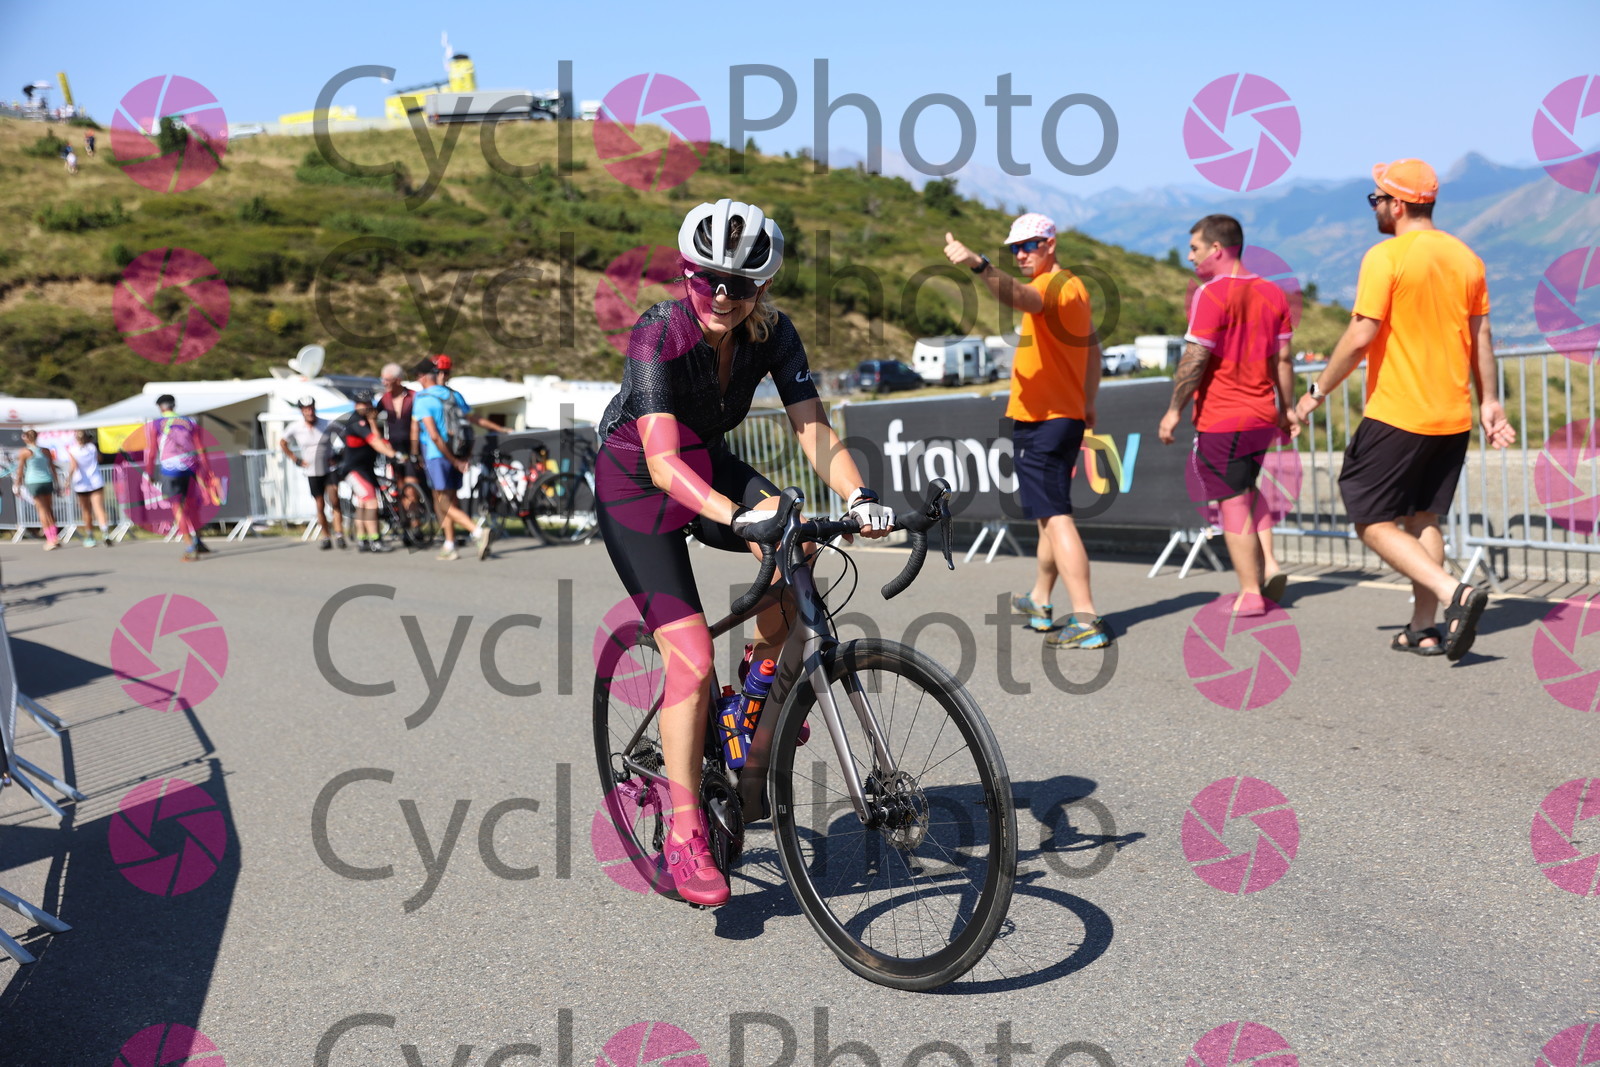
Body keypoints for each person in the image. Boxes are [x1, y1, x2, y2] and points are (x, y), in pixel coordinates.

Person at [597, 198, 893, 905]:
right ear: (687, 275)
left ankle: (752, 697)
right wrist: (738, 517)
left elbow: (811, 427)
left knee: (798, 543)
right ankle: (684, 832)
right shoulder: (659, 331)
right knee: (691, 657)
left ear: (763, 286)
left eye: (740, 285)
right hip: (637, 481)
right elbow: (663, 462)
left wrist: (858, 495)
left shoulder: (773, 334)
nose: (723, 297)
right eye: (709, 280)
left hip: (708, 463)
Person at [1293, 159, 1515, 661]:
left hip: (1399, 412)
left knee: (1369, 517)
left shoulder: (1386, 256)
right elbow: (1481, 337)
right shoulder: (1467, 258)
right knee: (1423, 516)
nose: (1374, 207)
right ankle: (1424, 628)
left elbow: (1361, 334)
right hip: (1453, 415)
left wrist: (1316, 391)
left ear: (1397, 205)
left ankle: (1454, 592)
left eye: (1377, 199)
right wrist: (1490, 400)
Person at [944, 213, 1111, 649]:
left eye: (1028, 245)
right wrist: (1088, 402)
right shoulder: (1075, 287)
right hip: (1063, 416)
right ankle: (1040, 598)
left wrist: (979, 265)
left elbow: (1020, 297)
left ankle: (1086, 616)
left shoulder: (1052, 287)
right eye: (1014, 248)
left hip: (1043, 420)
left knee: (1056, 517)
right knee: (1047, 518)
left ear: (1050, 244)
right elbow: (1093, 351)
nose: (1020, 254)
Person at [1158, 215, 1298, 613]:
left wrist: (1174, 409)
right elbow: (1283, 360)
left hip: (1223, 415)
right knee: (1247, 490)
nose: (1190, 257)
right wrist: (1286, 409)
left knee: (1232, 503)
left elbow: (1195, 356)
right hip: (1261, 414)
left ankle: (1251, 593)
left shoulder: (1212, 293)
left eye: (1195, 248)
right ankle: (1268, 564)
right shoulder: (1273, 293)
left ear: (1216, 249)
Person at [413, 358, 499, 561]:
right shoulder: (454, 395)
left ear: (423, 377)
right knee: (447, 500)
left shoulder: (423, 398)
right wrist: (462, 457)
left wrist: (450, 460)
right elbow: (470, 422)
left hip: (438, 454)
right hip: (458, 450)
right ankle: (449, 544)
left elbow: (433, 435)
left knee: (442, 503)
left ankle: (477, 532)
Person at [143, 395, 221, 561]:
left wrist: (149, 473)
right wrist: (207, 470)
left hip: (170, 469)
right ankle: (198, 540)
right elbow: (201, 448)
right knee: (193, 506)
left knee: (177, 508)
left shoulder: (156, 424)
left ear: (160, 407)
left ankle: (189, 545)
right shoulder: (190, 421)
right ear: (174, 405)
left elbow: (151, 451)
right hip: (191, 467)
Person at [337, 392, 402, 553]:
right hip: (354, 470)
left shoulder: (367, 421)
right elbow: (375, 443)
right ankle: (375, 540)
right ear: (356, 405)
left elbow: (377, 438)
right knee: (372, 502)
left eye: (368, 403)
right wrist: (394, 455)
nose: (366, 407)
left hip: (365, 469)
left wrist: (373, 422)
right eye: (362, 404)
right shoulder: (356, 422)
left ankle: (362, 539)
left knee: (363, 504)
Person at [280, 397, 346, 550]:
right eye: (306, 409)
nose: (309, 412)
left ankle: (339, 534)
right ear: (301, 411)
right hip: (312, 471)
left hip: (329, 469)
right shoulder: (295, 427)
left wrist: (339, 456)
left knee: (334, 500)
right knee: (319, 504)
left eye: (311, 408)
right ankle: (326, 536)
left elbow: (346, 436)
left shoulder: (327, 423)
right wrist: (295, 459)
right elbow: (283, 443)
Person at [376, 362, 424, 513]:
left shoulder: (413, 396)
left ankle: (415, 519)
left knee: (411, 488)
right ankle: (405, 519)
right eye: (382, 379)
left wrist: (416, 451)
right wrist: (380, 442)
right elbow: (372, 419)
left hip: (413, 448)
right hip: (394, 450)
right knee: (400, 486)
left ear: (398, 380)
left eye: (387, 380)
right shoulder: (384, 399)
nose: (384, 383)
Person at [13, 429, 61, 550]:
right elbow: (52, 468)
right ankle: (54, 536)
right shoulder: (46, 451)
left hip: (34, 482)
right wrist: (57, 483)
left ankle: (50, 539)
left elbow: (20, 470)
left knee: (42, 511)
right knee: (49, 509)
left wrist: (17, 485)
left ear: (27, 438)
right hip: (47, 481)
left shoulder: (25, 452)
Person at [66, 429, 112, 547]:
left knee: (86, 510)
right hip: (96, 481)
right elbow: (99, 459)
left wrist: (68, 480)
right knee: (99, 508)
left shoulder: (73, 450)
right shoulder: (92, 447)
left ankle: (90, 535)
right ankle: (105, 533)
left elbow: (73, 466)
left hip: (81, 484)